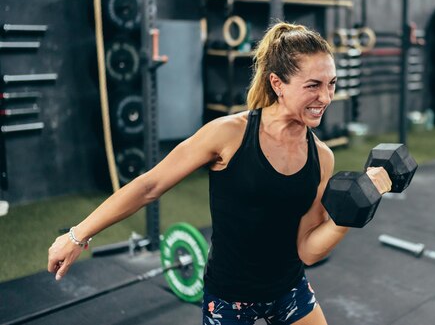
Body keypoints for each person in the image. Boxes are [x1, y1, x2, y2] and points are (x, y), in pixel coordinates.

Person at [48, 22, 392, 325]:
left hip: (289, 288)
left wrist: (350, 215)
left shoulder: (322, 157)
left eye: (331, 84)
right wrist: (77, 236)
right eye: (313, 85)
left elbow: (307, 250)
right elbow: (150, 185)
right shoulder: (228, 134)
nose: (326, 97)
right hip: (229, 296)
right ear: (278, 83)